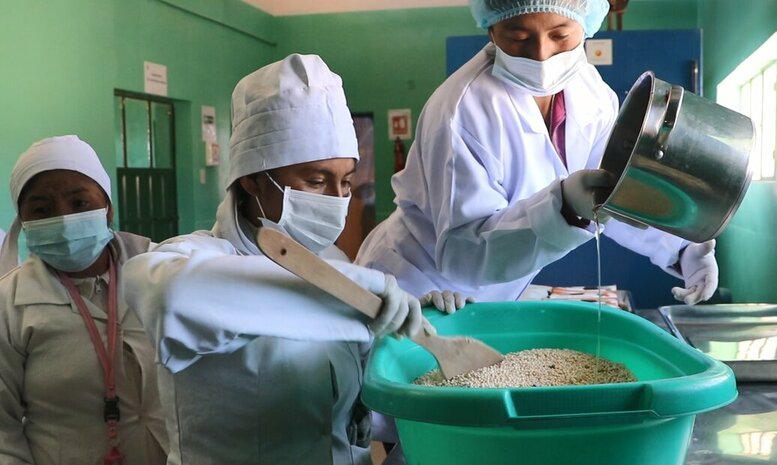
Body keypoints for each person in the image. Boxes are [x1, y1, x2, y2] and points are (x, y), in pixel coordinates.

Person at [123, 54, 444, 465]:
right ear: (252, 179)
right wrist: (359, 296)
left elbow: (356, 376)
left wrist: (416, 327)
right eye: (315, 180)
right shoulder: (190, 258)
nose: (336, 200)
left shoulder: (332, 259)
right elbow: (169, 295)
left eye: (345, 181)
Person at [355, 0, 718, 306]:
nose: (542, 55)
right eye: (519, 37)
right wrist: (561, 209)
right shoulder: (461, 111)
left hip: (492, 296)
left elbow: (616, 192)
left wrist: (681, 248)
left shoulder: (589, 92)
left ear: (587, 20)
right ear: (491, 29)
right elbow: (464, 253)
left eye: (560, 34)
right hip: (416, 289)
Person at [0, 136, 167, 464]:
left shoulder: (162, 272)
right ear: (23, 220)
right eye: (42, 209)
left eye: (79, 203)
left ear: (108, 208)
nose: (63, 220)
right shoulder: (9, 304)